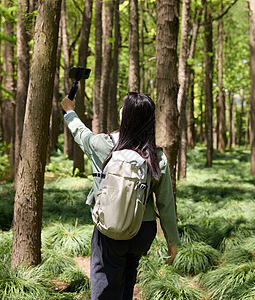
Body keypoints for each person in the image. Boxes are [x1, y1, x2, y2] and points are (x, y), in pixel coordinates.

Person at [61, 92, 180, 300]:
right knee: (128, 278)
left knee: (106, 287)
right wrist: (172, 239)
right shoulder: (155, 155)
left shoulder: (103, 145)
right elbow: (166, 202)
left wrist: (69, 111)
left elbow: (80, 133)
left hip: (110, 228)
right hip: (142, 230)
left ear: (124, 115)